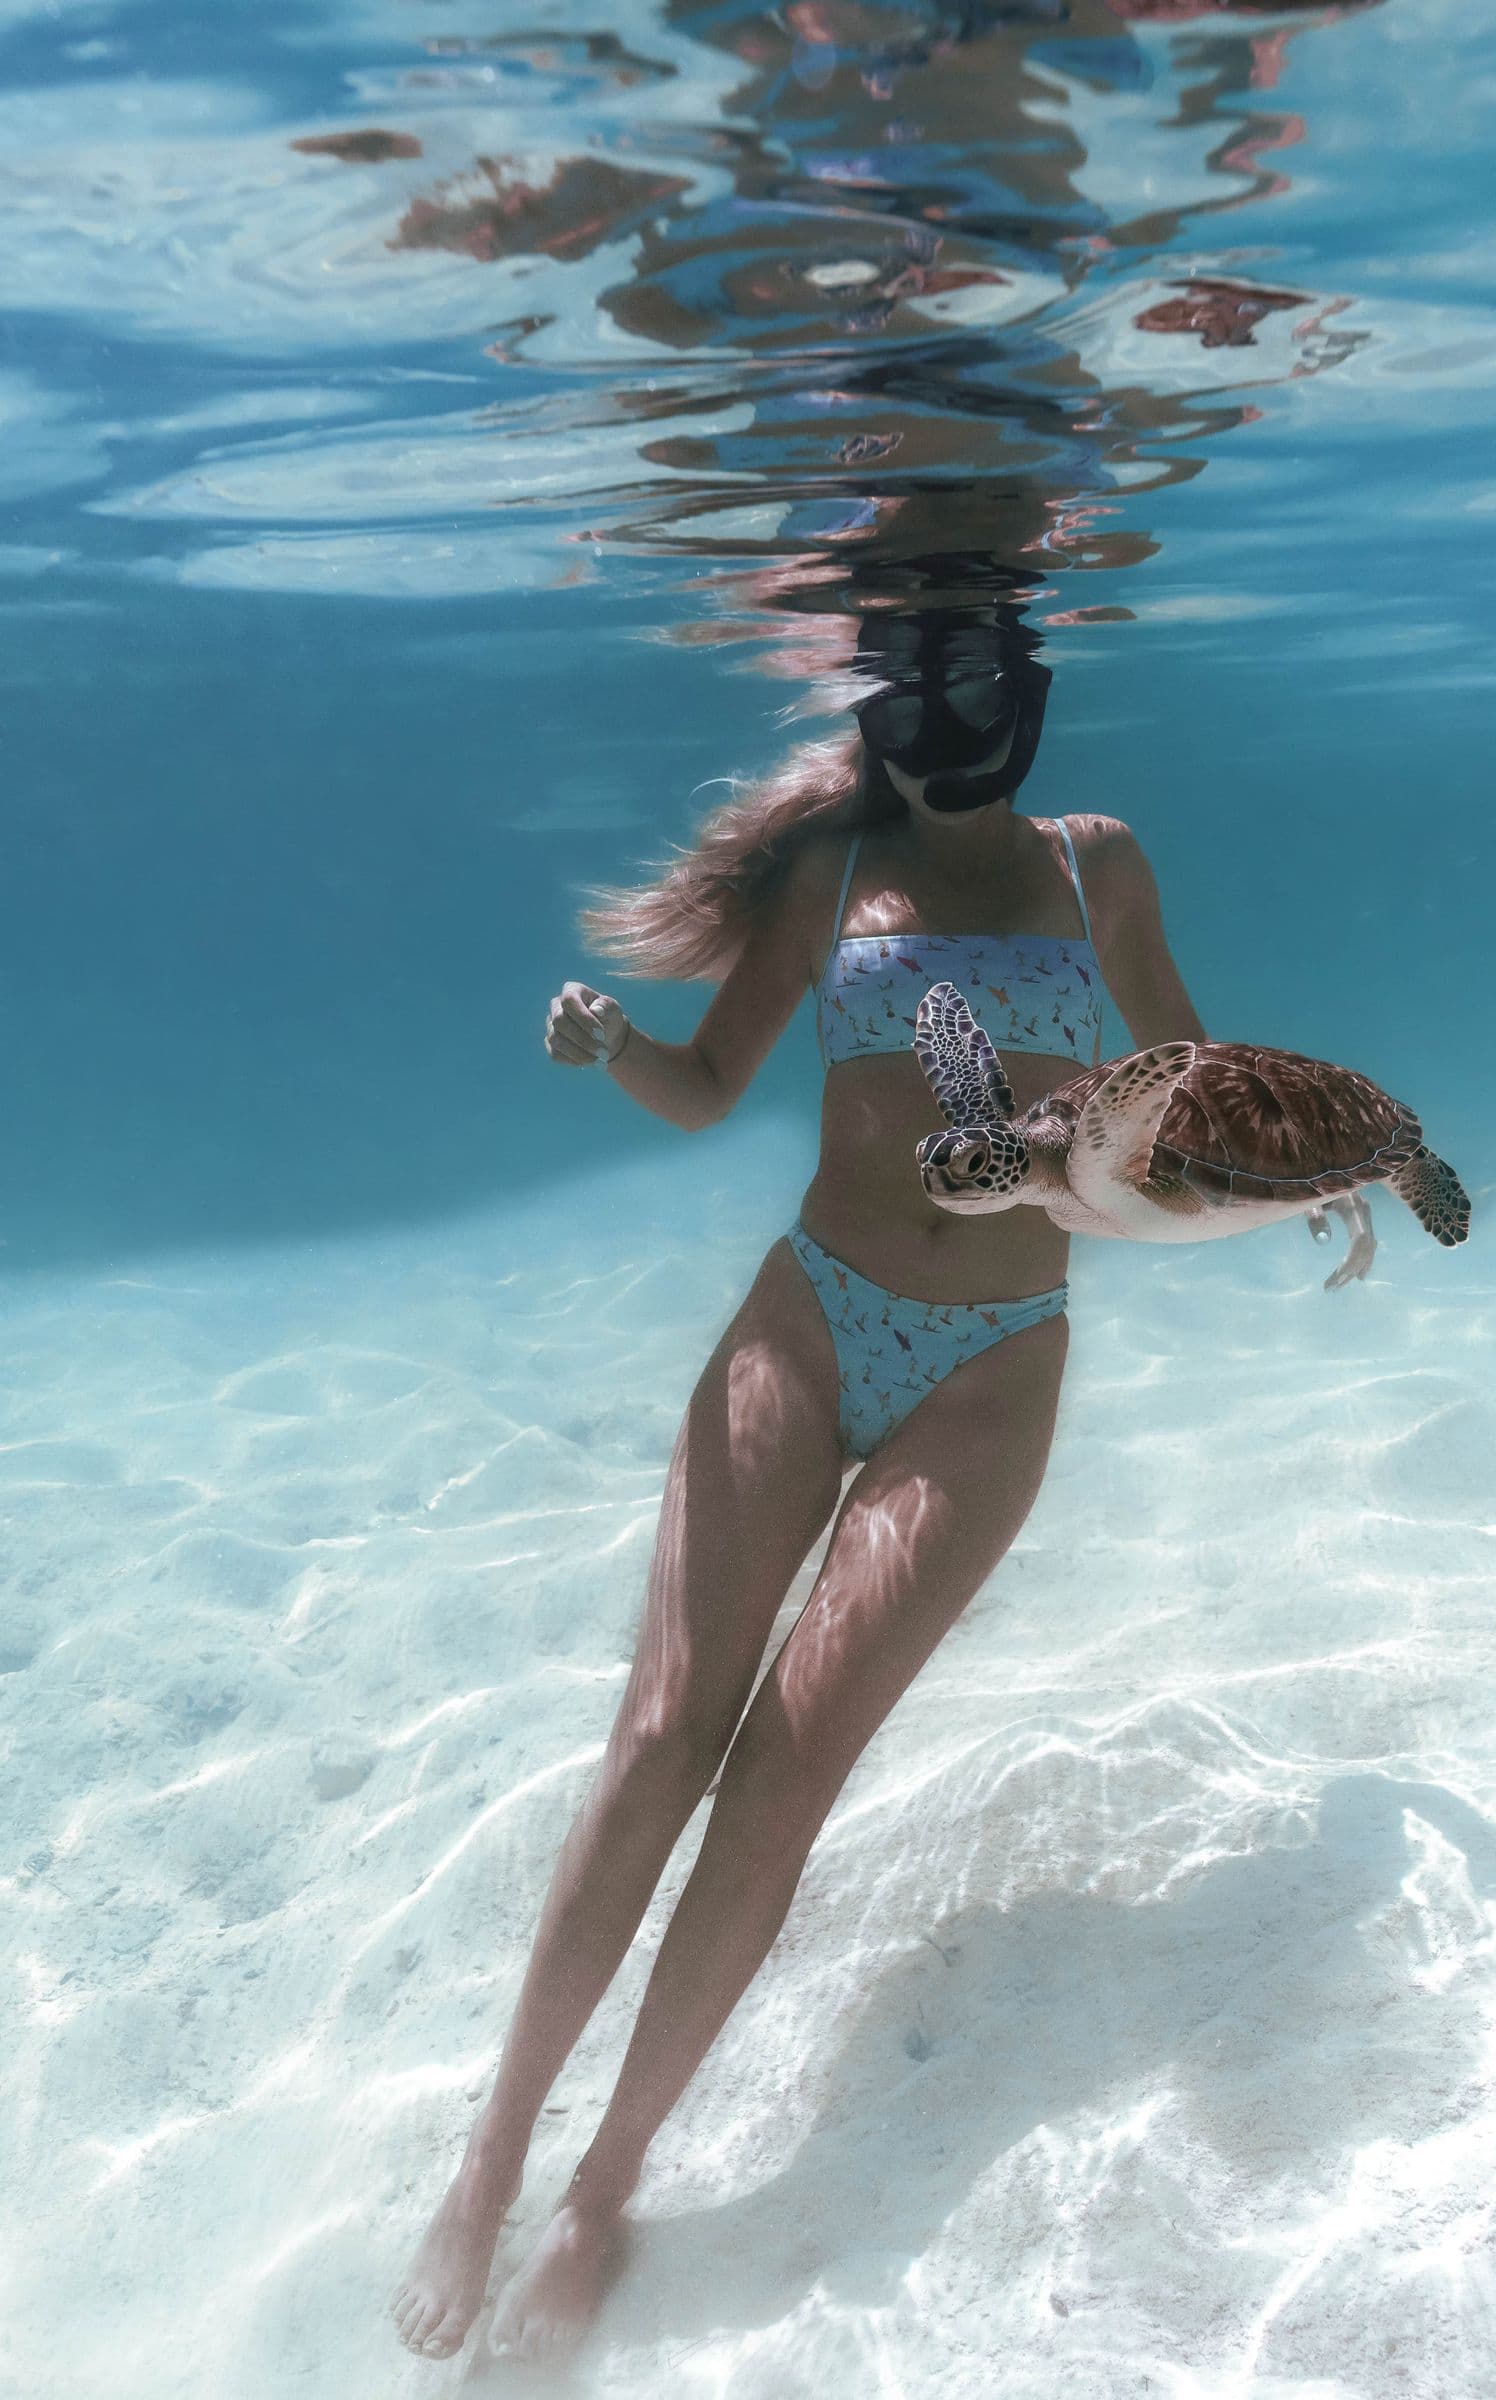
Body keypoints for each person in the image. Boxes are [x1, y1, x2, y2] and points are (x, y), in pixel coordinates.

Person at [389, 600, 1206, 2365]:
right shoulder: (828, 871)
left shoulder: (1102, 868)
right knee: (661, 1744)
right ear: (882, 708)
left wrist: (1306, 1159)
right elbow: (705, 1087)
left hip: (992, 1371)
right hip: (812, 1321)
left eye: (975, 685)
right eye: (917, 695)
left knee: (778, 1784)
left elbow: (1183, 1090)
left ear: (1023, 686)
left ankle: (604, 2188)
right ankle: (491, 2158)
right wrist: (614, 1048)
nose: (947, 729)